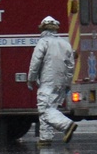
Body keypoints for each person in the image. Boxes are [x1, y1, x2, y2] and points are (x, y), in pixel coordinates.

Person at [27, 16, 77, 146]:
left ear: (43, 28)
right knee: (51, 107)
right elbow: (71, 66)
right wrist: (67, 83)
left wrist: (31, 79)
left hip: (47, 81)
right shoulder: (65, 44)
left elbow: (35, 62)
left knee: (44, 109)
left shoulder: (43, 43)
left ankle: (67, 125)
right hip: (61, 82)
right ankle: (45, 138)